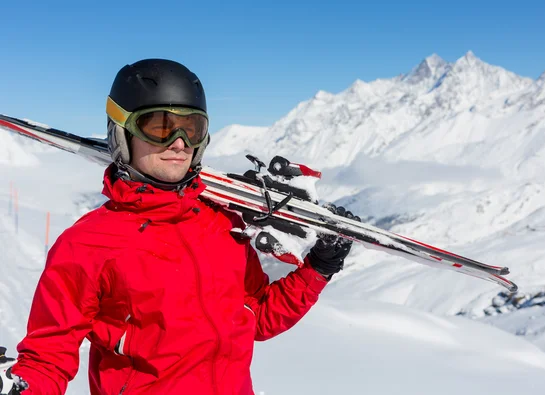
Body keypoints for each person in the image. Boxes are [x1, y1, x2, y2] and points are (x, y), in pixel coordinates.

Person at [1, 59, 356, 394]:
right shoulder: (86, 245)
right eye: (159, 127)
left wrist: (318, 269)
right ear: (122, 134)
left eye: (192, 128)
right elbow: (47, 356)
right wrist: (21, 387)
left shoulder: (222, 224)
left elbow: (256, 318)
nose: (179, 143)